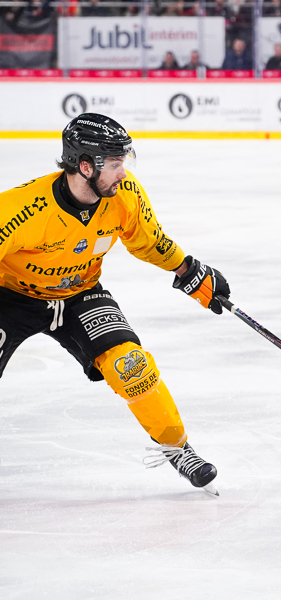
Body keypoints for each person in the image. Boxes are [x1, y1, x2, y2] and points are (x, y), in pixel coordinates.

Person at [0, 114, 231, 495]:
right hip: (12, 298)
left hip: (81, 293)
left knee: (131, 365)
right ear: (85, 165)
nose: (123, 172)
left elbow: (148, 241)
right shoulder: (20, 210)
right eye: (115, 163)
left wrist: (188, 269)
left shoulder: (123, 194)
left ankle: (177, 447)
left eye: (125, 161)